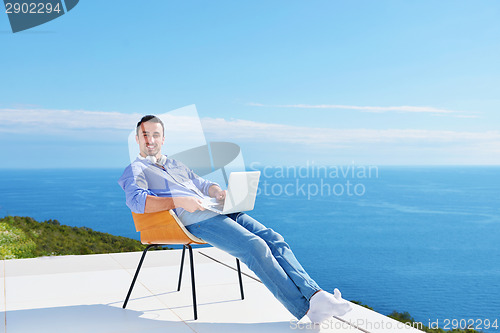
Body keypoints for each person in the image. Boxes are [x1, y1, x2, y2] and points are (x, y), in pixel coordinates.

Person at [118, 115, 352, 323]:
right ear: (137, 139)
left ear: (163, 139)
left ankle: (315, 294)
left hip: (215, 208)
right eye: (144, 135)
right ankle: (306, 308)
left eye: (155, 135)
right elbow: (137, 202)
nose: (150, 140)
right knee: (255, 246)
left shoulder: (174, 164)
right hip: (191, 219)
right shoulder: (136, 169)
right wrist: (178, 201)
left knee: (274, 238)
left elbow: (202, 183)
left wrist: (218, 192)